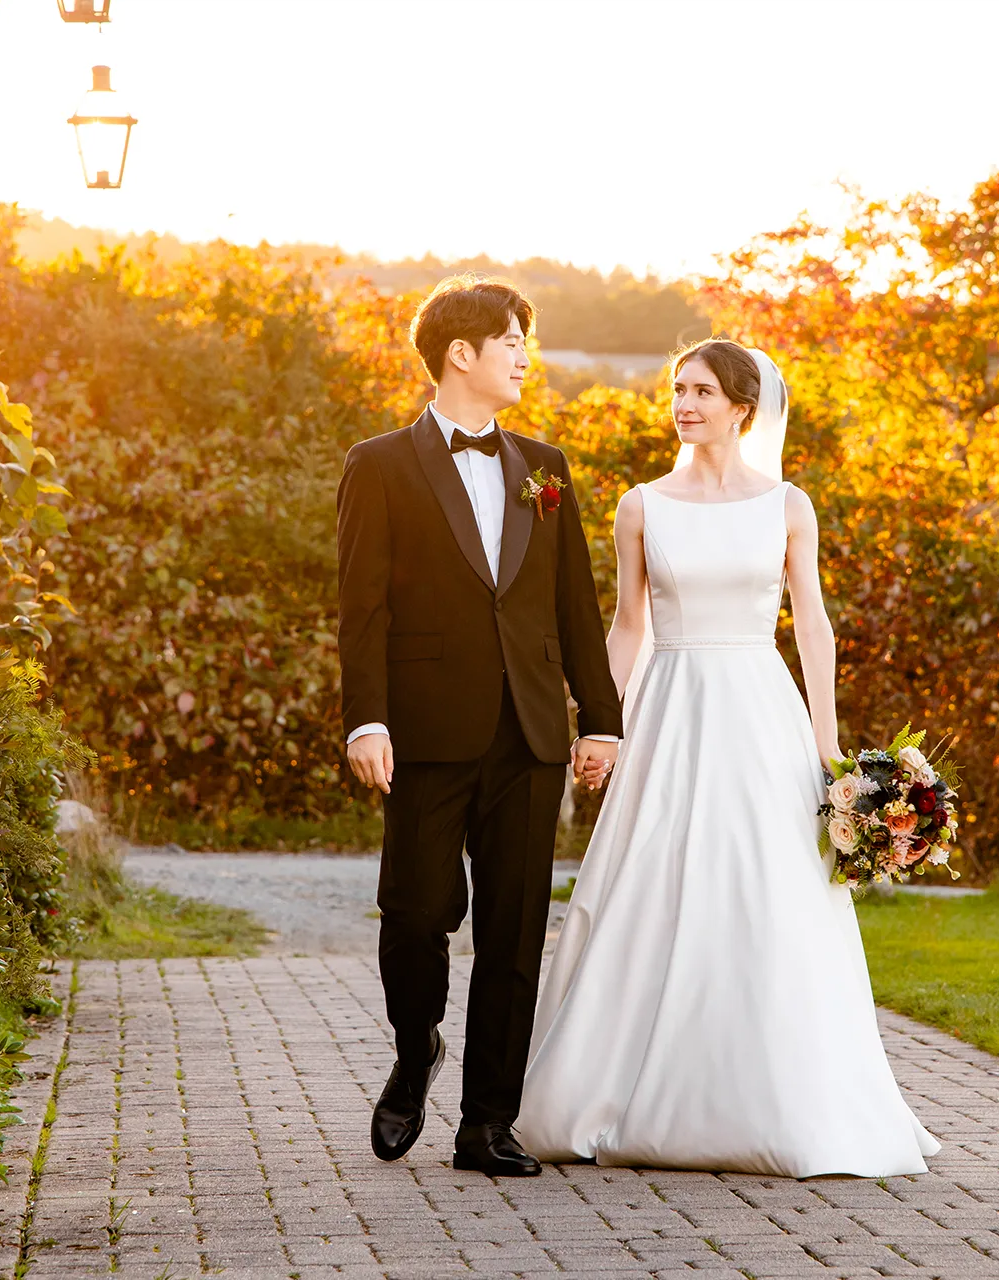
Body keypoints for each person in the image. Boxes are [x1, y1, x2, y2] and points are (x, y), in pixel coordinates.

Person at [514, 338, 941, 1177]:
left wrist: (829, 744)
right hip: (667, 707)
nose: (685, 403)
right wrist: (600, 722)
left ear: (744, 408)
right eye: (679, 388)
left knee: (767, 887)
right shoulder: (640, 505)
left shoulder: (787, 504)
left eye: (703, 390)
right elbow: (629, 623)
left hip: (757, 709)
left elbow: (810, 623)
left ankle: (779, 1101)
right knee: (652, 880)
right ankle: (606, 1092)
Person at [335, 275, 624, 1177]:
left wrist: (601, 721)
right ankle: (417, 1043)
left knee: (514, 928)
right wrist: (366, 720)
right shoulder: (378, 464)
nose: (524, 357)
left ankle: (487, 1124)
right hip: (422, 729)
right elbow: (363, 609)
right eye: (511, 342)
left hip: (531, 732)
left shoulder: (547, 466)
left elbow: (574, 603)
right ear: (461, 353)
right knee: (416, 915)